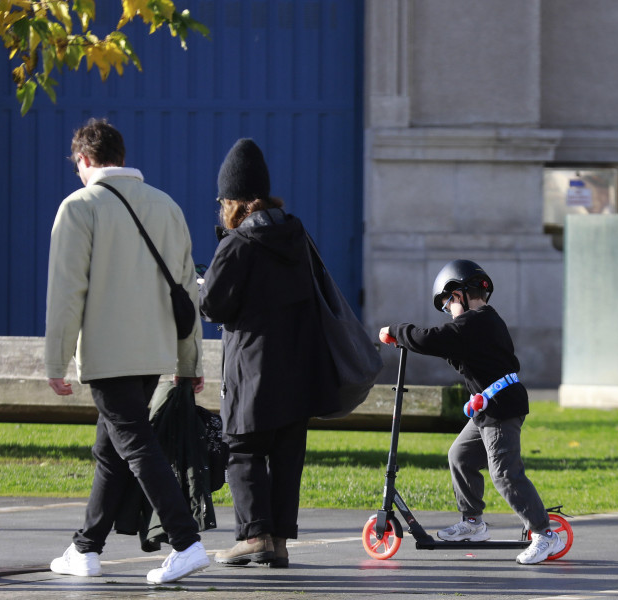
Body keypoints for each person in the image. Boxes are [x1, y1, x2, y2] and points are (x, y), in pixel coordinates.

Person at [45, 118, 209, 584]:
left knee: (134, 444)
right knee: (112, 448)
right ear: (120, 154)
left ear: (83, 160)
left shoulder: (79, 207)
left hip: (107, 352)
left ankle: (186, 541)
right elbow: (186, 292)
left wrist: (56, 361)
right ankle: (85, 547)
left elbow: (67, 292)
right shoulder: (166, 205)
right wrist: (189, 362)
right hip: (154, 351)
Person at [198, 138, 335, 569]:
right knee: (286, 453)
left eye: (223, 199)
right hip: (299, 368)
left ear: (234, 201)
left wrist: (202, 286)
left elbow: (212, 306)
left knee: (243, 449)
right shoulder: (296, 236)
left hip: (253, 370)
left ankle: (253, 536)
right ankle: (277, 540)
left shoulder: (238, 245)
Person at [379, 259, 565, 565]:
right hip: (488, 407)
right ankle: (473, 524)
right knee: (460, 457)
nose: (448, 310)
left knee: (505, 473)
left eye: (447, 303)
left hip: (501, 407)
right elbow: (453, 347)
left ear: (460, 294)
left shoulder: (478, 321)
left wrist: (396, 331)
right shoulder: (477, 326)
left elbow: (431, 339)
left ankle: (545, 535)